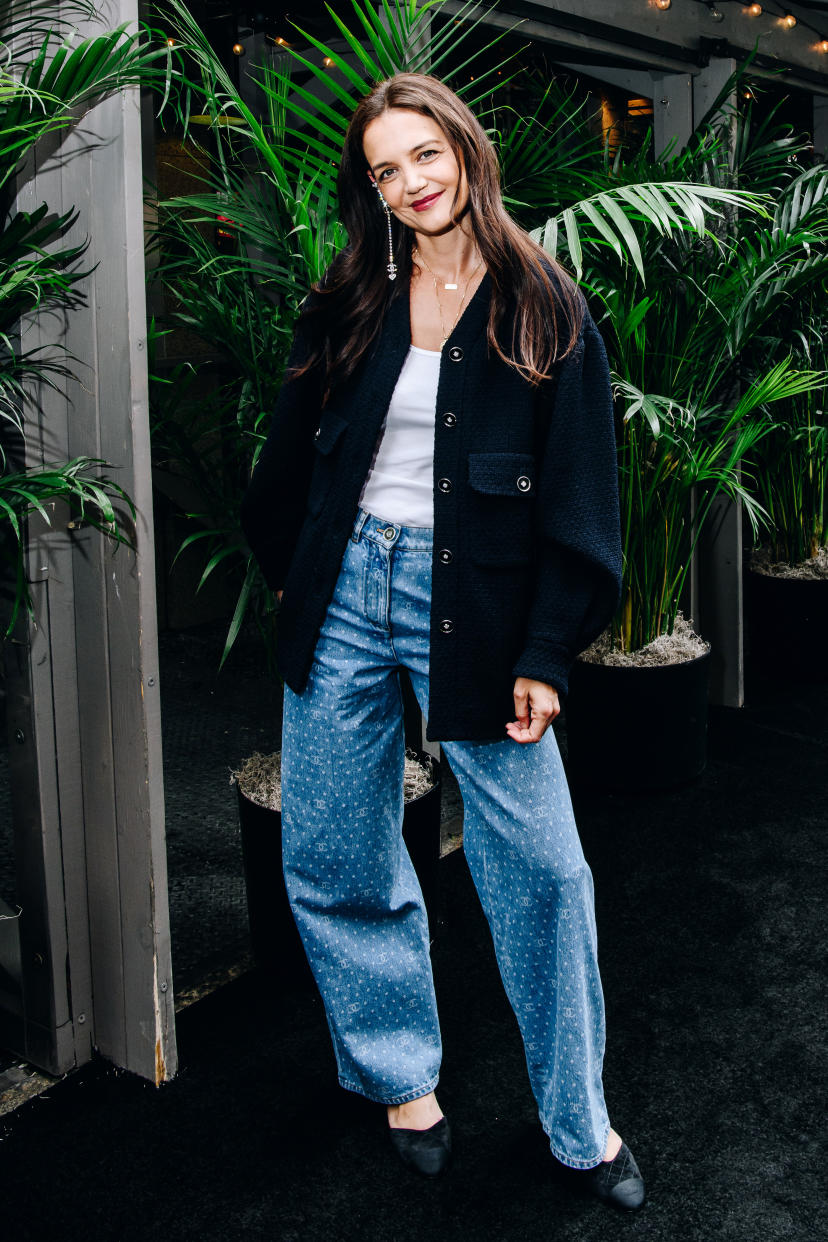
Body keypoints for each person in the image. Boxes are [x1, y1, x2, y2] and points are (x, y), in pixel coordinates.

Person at [241, 72, 645, 1211]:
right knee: (332, 850)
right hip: (343, 591)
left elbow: (578, 497)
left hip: (480, 608)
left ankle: (580, 1123)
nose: (410, 183)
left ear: (465, 148)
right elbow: (286, 466)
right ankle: (400, 1077)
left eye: (424, 155)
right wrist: (301, 580)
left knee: (546, 873)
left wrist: (546, 654)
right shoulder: (351, 299)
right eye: (384, 170)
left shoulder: (545, 305)